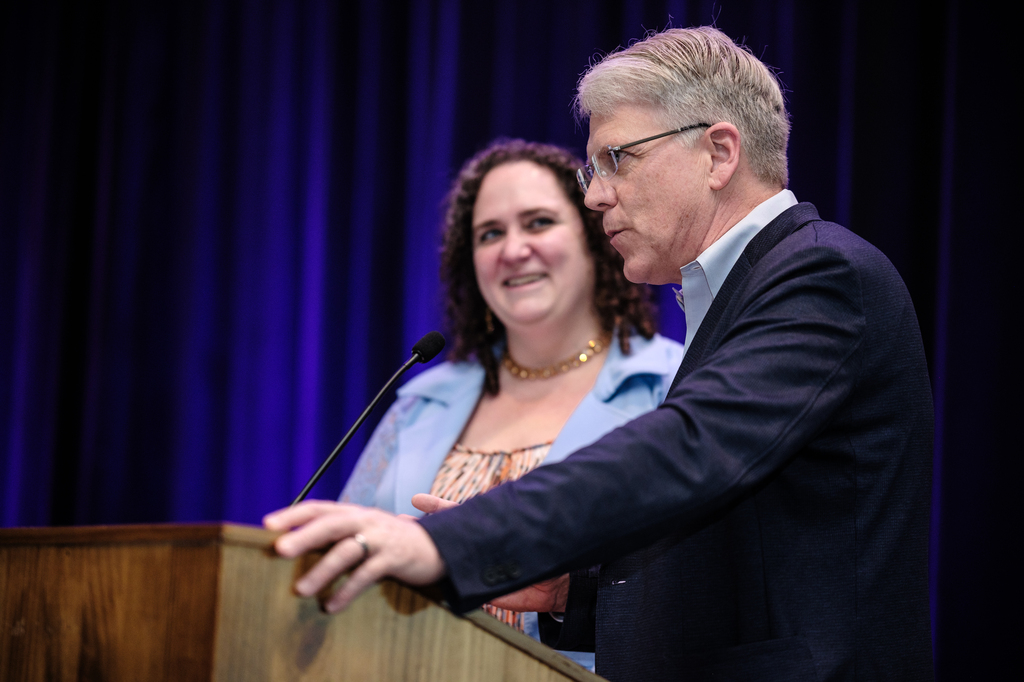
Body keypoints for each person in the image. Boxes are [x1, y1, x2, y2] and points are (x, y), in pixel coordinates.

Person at [266, 26, 934, 681]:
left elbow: (687, 451)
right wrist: (571, 592)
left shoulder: (821, 274)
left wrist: (443, 544)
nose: (594, 194)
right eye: (594, 168)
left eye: (618, 159)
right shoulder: (742, 291)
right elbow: (744, 559)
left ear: (718, 153)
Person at [337, 138, 683, 668]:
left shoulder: (672, 384)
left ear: (593, 237)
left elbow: (697, 589)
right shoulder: (420, 399)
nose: (513, 249)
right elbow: (343, 555)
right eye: (490, 234)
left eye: (538, 223)